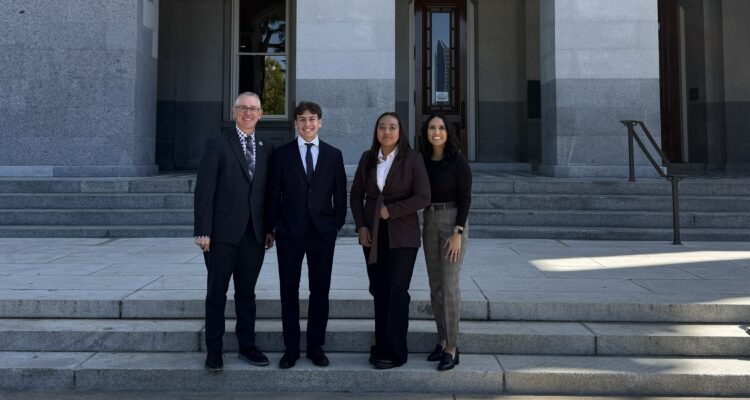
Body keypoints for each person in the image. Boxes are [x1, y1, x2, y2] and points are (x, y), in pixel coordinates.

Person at [194, 92, 275, 371]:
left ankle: (247, 347)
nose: (248, 113)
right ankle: (214, 351)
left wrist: (269, 229)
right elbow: (204, 191)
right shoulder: (217, 144)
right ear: (234, 112)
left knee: (247, 294)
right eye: (243, 108)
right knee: (216, 294)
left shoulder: (267, 146)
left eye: (254, 109)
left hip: (254, 235)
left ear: (261, 114)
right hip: (221, 235)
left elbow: (268, 193)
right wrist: (203, 230)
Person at [265, 101, 347, 369]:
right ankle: (291, 349)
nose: (307, 124)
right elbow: (272, 194)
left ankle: (315, 347)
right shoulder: (282, 154)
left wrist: (335, 226)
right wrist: (272, 227)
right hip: (289, 233)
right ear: (296, 124)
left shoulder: (334, 155)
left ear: (320, 122)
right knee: (288, 291)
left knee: (319, 292)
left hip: (322, 234)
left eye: (312, 119)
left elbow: (340, 194)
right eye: (302, 119)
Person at [350, 111, 431, 369]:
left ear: (400, 131)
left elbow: (423, 197)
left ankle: (396, 352)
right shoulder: (367, 158)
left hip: (402, 235)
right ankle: (380, 347)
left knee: (396, 290)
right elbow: (355, 195)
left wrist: (392, 211)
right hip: (373, 233)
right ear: (376, 131)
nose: (387, 132)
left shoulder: (413, 159)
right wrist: (361, 225)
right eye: (382, 127)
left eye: (392, 127)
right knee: (379, 289)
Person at [418, 114, 472, 371]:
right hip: (429, 220)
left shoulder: (457, 160)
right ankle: (441, 340)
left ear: (448, 132)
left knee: (450, 286)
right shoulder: (422, 160)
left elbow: (466, 198)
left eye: (441, 127)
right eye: (432, 127)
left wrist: (457, 233)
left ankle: (452, 346)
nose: (436, 132)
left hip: (453, 223)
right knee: (436, 286)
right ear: (426, 132)